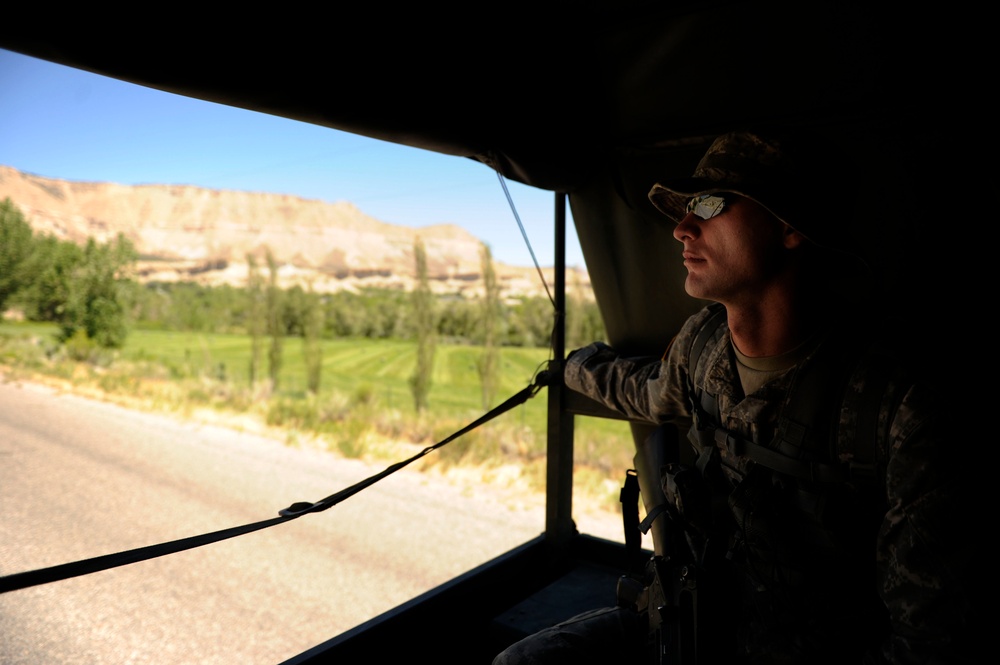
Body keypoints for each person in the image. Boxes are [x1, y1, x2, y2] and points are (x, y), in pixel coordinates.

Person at [493, 129, 973, 664]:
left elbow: (928, 642)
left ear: (789, 225)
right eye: (685, 210)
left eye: (709, 205)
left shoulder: (899, 403)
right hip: (695, 619)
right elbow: (649, 393)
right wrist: (573, 367)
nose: (681, 229)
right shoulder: (703, 344)